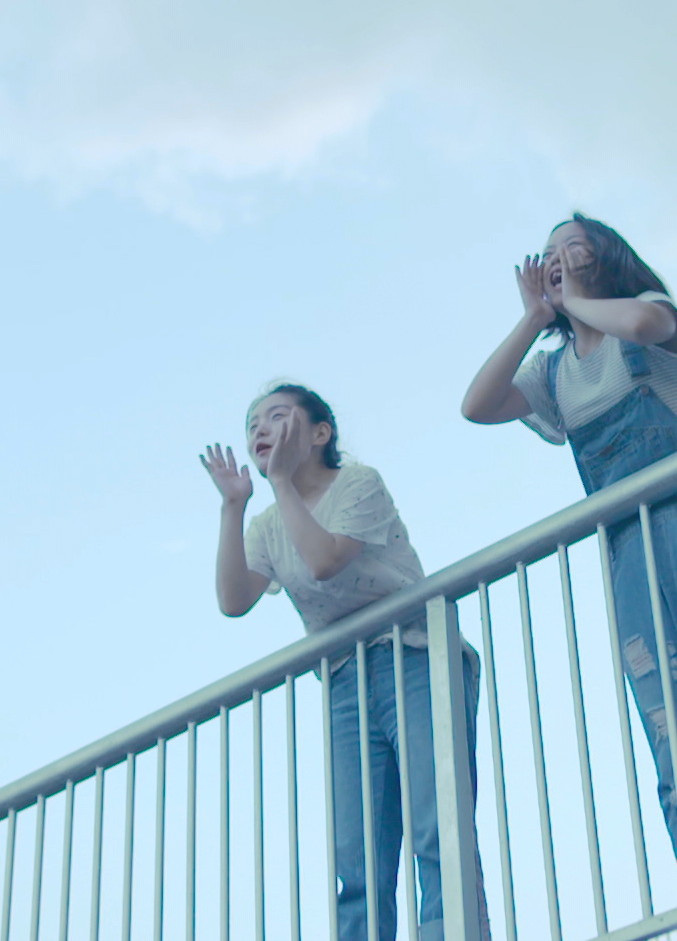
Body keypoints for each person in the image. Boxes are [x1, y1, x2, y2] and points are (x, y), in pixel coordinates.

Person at [460, 214, 677, 919]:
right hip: (629, 553)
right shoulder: (553, 372)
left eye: (570, 246)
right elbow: (477, 406)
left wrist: (573, 301)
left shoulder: (646, 316)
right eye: (547, 252)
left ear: (604, 254)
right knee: (673, 739)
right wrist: (533, 321)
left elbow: (644, 322)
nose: (555, 258)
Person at [202, 384, 480, 941]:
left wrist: (281, 482)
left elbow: (325, 560)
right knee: (357, 859)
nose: (260, 430)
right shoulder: (267, 525)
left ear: (320, 432)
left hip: (414, 656)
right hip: (345, 682)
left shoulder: (357, 483)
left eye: (277, 417)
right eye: (253, 424)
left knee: (437, 827)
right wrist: (234, 506)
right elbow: (233, 600)